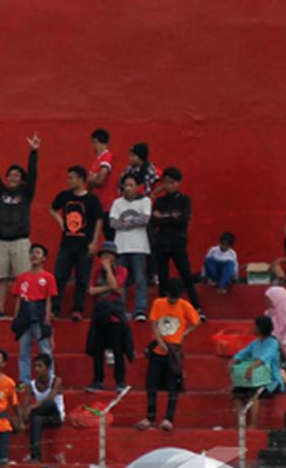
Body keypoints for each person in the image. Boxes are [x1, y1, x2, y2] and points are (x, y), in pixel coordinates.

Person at [0, 130, 40, 318]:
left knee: (22, 278)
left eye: (16, 175)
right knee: (0, 278)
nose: (12, 178)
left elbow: (32, 175)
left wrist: (33, 153)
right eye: (10, 175)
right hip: (0, 242)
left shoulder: (26, 193)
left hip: (21, 242)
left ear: (21, 179)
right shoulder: (1, 192)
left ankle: (21, 312)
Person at [139, 278, 201, 432]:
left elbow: (196, 321)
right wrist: (159, 341)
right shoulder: (159, 303)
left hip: (174, 349)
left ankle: (168, 418)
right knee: (151, 384)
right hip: (159, 347)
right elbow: (153, 323)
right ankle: (151, 417)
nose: (173, 300)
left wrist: (182, 335)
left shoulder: (185, 305)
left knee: (173, 386)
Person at [48, 165, 104, 320]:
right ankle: (55, 308)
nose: (68, 180)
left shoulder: (92, 199)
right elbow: (52, 208)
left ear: (81, 179)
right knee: (59, 276)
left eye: (71, 177)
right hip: (66, 244)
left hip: (85, 245)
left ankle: (78, 309)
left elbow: (100, 220)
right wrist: (60, 221)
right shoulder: (64, 196)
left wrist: (94, 242)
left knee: (82, 278)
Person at [151, 167, 202, 317]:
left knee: (186, 275)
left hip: (178, 242)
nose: (169, 186)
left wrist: (163, 217)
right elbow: (154, 221)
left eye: (172, 183)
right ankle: (162, 310)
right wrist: (171, 216)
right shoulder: (160, 200)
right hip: (161, 243)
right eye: (166, 183)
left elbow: (183, 221)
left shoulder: (184, 200)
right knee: (162, 277)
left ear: (178, 183)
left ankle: (196, 308)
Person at [85, 242, 133, 392]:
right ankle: (97, 381)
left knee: (118, 350)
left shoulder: (121, 270)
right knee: (97, 350)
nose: (105, 257)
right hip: (99, 315)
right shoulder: (95, 272)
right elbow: (92, 291)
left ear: (114, 257)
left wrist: (107, 270)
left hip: (115, 316)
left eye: (108, 254)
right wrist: (110, 288)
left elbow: (115, 284)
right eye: (103, 255)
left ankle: (120, 381)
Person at [231, 315, 286, 431]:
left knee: (254, 394)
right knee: (237, 393)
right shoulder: (255, 343)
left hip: (271, 381)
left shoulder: (273, 343)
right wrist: (233, 360)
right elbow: (243, 353)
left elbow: (265, 358)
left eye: (255, 326)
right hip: (254, 378)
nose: (253, 328)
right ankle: (241, 424)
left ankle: (253, 424)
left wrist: (252, 367)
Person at [12, 243, 57, 384]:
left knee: (45, 350)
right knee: (24, 351)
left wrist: (47, 319)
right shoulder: (22, 278)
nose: (34, 255)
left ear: (44, 258)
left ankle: (49, 379)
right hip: (24, 315)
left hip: (39, 313)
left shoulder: (48, 277)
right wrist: (16, 318)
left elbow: (49, 299)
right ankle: (24, 381)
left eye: (38, 253)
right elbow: (18, 299)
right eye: (32, 252)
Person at [109, 174, 152, 321]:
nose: (127, 188)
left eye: (131, 185)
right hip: (120, 247)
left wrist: (124, 221)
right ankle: (119, 309)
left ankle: (140, 310)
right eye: (125, 185)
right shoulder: (117, 203)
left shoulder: (145, 201)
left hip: (139, 247)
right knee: (120, 281)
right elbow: (112, 222)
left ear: (138, 187)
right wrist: (134, 220)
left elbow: (145, 219)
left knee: (140, 279)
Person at [21, 353, 64, 463]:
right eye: (35, 366)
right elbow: (25, 405)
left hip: (55, 416)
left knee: (48, 404)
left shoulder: (56, 381)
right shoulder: (31, 385)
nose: (37, 369)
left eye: (40, 366)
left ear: (48, 368)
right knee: (35, 419)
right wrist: (24, 415)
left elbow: (50, 399)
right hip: (41, 417)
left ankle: (35, 456)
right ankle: (35, 456)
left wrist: (32, 407)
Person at [87, 128, 117, 218]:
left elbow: (100, 180)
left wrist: (91, 179)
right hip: (98, 203)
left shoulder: (107, 157)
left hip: (106, 205)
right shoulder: (98, 159)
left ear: (95, 141)